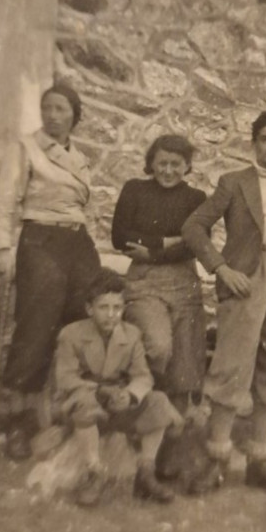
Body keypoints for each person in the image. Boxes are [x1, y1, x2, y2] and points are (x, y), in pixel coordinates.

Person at [181, 110, 266, 493]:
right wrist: (222, 269)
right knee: (233, 361)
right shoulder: (233, 183)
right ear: (254, 143)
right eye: (265, 139)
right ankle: (217, 456)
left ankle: (261, 457)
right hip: (247, 274)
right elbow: (193, 227)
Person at [0, 83, 101, 461]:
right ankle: (17, 421)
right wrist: (3, 248)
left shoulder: (81, 158)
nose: (52, 115)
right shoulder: (26, 148)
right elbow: (3, 201)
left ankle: (65, 413)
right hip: (40, 242)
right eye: (47, 108)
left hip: (78, 243)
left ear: (74, 115)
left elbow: (87, 209)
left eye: (60, 109)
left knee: (81, 325)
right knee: (35, 328)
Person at [53, 269, 184, 506]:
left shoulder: (131, 334)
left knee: (158, 402)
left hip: (117, 403)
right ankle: (94, 473)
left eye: (117, 308)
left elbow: (143, 376)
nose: (111, 315)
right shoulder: (70, 335)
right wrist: (99, 391)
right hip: (85, 406)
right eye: (103, 307)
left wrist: (130, 394)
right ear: (89, 308)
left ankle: (145, 473)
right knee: (84, 401)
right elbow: (65, 379)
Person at [111, 135, 207, 415]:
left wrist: (152, 249)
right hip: (144, 279)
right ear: (151, 162)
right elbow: (120, 236)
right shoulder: (134, 190)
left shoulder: (196, 198)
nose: (168, 171)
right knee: (158, 346)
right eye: (162, 163)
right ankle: (143, 403)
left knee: (185, 359)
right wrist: (170, 240)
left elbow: (197, 243)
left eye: (175, 164)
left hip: (183, 280)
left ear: (187, 166)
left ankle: (172, 428)